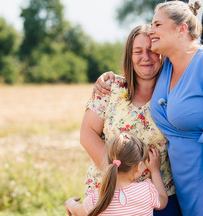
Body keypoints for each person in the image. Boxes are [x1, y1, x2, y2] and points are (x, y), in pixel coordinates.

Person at [94, 1, 203, 215]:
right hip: (189, 181)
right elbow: (141, 73)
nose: (151, 30)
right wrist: (109, 79)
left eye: (157, 25)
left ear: (182, 28)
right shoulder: (167, 68)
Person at [73, 24, 182, 216]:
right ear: (129, 57)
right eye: (138, 51)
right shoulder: (110, 88)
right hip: (108, 195)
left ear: (162, 53)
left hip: (159, 196)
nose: (145, 57)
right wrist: (119, 178)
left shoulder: (174, 93)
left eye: (152, 50)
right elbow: (87, 134)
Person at [65, 133, 168, 216]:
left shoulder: (96, 199)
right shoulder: (146, 191)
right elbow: (163, 200)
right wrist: (155, 171)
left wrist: (69, 203)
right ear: (139, 166)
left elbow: (78, 212)